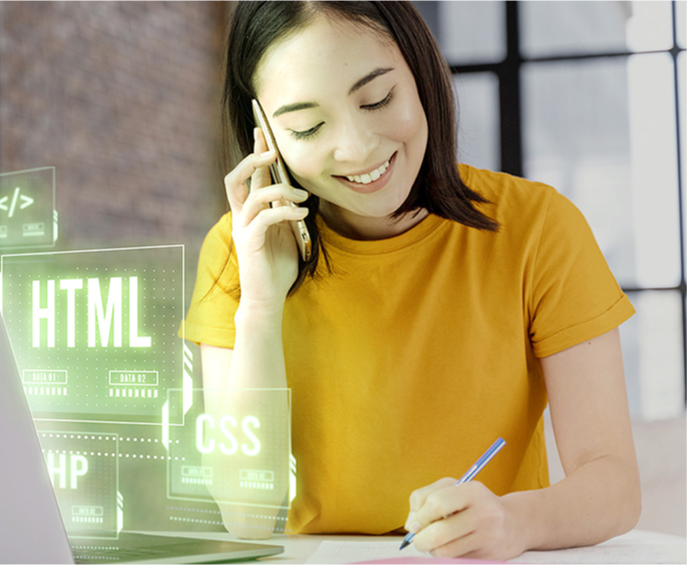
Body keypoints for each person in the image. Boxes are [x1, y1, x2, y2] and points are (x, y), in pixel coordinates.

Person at [180, 0, 642, 560]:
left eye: (377, 99)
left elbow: (613, 484)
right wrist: (258, 304)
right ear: (264, 136)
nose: (358, 149)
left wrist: (512, 521)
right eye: (306, 126)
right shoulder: (237, 252)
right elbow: (247, 517)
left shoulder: (538, 229)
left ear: (421, 71)